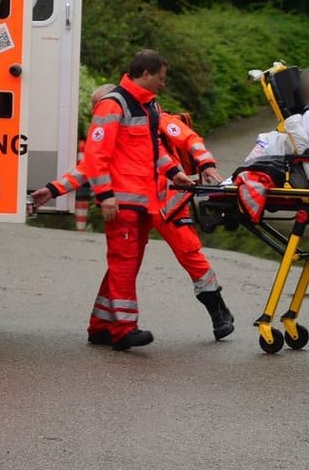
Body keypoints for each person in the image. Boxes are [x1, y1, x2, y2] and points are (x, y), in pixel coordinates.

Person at [31, 88, 238, 341]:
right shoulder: (113, 131)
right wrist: (53, 190)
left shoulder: (153, 119)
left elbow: (189, 138)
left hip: (169, 202)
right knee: (124, 267)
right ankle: (101, 325)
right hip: (137, 204)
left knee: (188, 253)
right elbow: (88, 168)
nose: (101, 114)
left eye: (101, 107)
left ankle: (217, 309)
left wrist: (206, 164)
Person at [30, 50, 188, 351]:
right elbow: (95, 158)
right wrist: (105, 197)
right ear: (146, 74)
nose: (163, 85)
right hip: (123, 202)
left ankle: (101, 325)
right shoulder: (114, 105)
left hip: (142, 201)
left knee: (124, 265)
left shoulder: (148, 105)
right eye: (161, 78)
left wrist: (174, 172)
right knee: (124, 265)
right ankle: (124, 330)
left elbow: (153, 148)